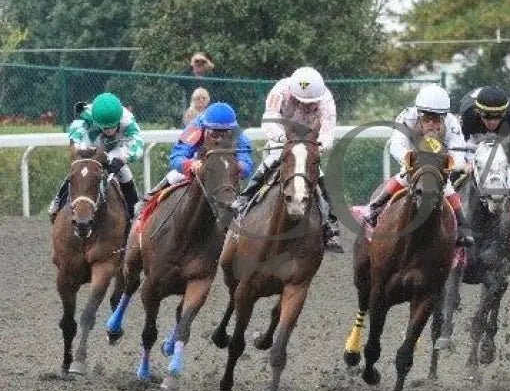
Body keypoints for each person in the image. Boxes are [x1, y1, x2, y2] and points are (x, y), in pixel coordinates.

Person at [230, 66, 344, 252]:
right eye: (302, 101)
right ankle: (243, 201)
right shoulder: (280, 91)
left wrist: (316, 145)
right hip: (283, 141)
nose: (307, 106)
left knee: (320, 177)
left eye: (311, 103)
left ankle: (331, 225)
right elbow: (269, 121)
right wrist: (286, 140)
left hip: (309, 145)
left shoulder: (326, 98)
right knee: (270, 162)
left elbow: (328, 132)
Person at [365, 84, 474, 246]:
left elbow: (458, 152)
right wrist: (410, 159)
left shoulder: (451, 124)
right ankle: (374, 208)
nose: (431, 123)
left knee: (447, 186)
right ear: (419, 113)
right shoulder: (407, 117)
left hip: (439, 162)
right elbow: (396, 145)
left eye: (436, 118)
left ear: (444, 116)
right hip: (413, 156)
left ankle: (462, 227)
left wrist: (453, 164)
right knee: (403, 176)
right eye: (426, 117)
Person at [136, 102, 253, 219]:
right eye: (214, 134)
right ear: (205, 128)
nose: (220, 140)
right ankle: (147, 202)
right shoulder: (197, 126)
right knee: (174, 176)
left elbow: (246, 163)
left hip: (226, 169)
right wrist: (190, 165)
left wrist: (238, 167)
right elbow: (176, 157)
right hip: (200, 162)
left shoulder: (238, 134)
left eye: (225, 134)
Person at [48, 92, 143, 223]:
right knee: (79, 169)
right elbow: (76, 130)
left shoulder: (127, 119)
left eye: (112, 126)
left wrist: (123, 159)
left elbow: (137, 144)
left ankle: (135, 212)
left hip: (115, 149)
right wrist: (76, 147)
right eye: (105, 127)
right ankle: (58, 202)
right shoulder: (88, 114)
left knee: (124, 172)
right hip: (91, 145)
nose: (109, 130)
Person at [458, 85, 510, 199]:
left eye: (497, 117)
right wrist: (467, 164)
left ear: (505, 113)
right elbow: (459, 147)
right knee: (459, 170)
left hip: (504, 136)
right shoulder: (468, 115)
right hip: (474, 137)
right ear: (478, 111)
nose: (492, 122)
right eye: (487, 117)